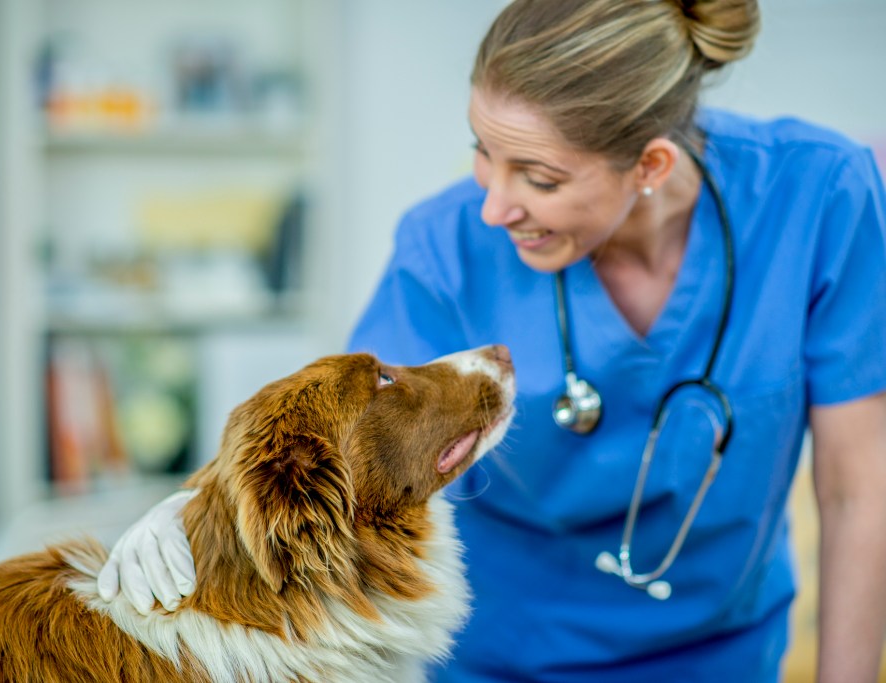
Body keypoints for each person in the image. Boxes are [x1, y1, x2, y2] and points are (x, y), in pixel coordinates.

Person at [97, 0, 886, 680]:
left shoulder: (820, 196)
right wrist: (198, 504)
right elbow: (337, 434)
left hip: (722, 653)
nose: (492, 206)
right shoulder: (442, 245)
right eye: (483, 150)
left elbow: (858, 490)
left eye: (538, 177)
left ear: (649, 164)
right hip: (498, 657)